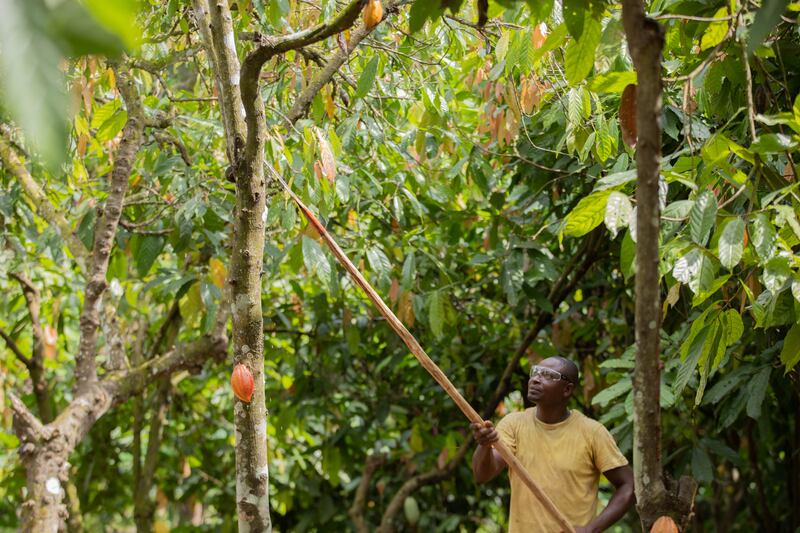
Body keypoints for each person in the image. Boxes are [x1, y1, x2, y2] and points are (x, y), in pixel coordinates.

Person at [471, 356, 635, 532]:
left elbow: (629, 486)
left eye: (548, 375)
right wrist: (484, 446)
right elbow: (483, 475)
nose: (535, 379)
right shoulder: (513, 424)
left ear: (567, 389)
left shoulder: (592, 432)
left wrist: (591, 529)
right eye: (535, 372)